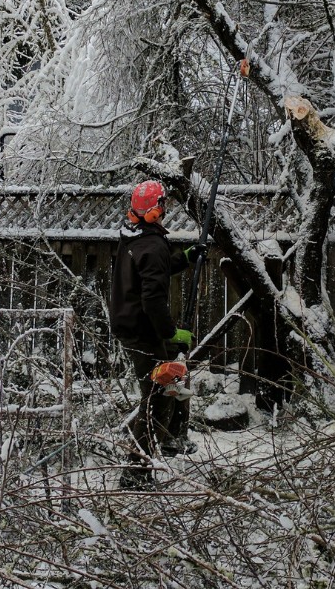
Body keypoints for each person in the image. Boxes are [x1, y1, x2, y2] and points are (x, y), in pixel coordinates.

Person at [108, 180, 205, 487]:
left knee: (175, 379)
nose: (166, 211)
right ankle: (135, 473)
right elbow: (151, 298)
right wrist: (171, 333)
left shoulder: (132, 236)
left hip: (132, 325)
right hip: (143, 331)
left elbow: (151, 271)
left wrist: (184, 259)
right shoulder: (150, 244)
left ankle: (170, 440)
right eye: (163, 206)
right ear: (156, 211)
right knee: (158, 396)